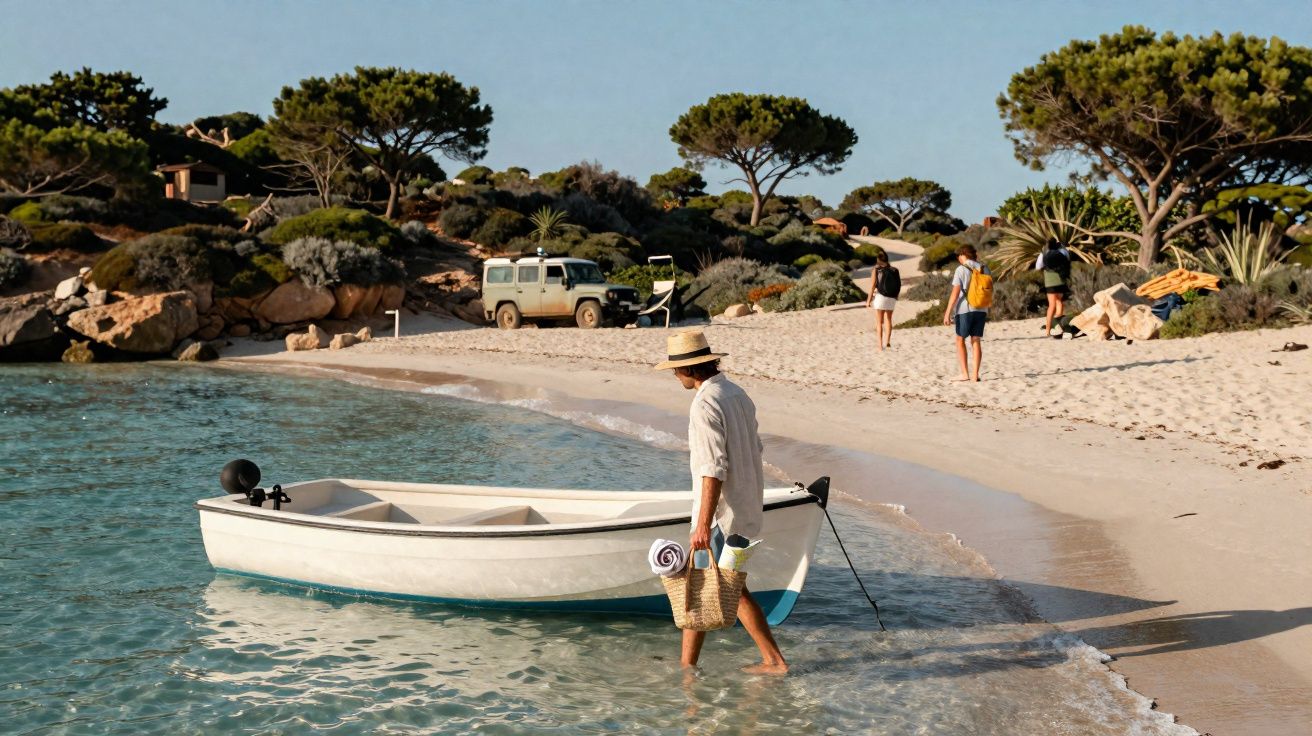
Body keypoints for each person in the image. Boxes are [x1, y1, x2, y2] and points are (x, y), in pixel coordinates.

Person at [654, 330, 787, 674]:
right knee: (713, 585)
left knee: (716, 587)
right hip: (746, 508)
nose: (673, 375)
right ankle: (689, 667)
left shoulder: (704, 404)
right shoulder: (736, 393)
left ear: (690, 369)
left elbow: (712, 469)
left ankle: (772, 662)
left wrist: (701, 524)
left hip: (723, 517)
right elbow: (755, 451)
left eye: (675, 369)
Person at [942, 244, 991, 382]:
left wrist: (947, 312)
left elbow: (955, 293)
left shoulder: (961, 269)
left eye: (959, 256)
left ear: (963, 255)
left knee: (960, 339)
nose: (959, 259)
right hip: (982, 308)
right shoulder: (985, 268)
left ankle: (965, 374)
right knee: (976, 340)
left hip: (965, 309)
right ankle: (975, 375)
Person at [1035, 238, 1071, 337]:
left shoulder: (1044, 253)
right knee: (1059, 301)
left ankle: (1048, 330)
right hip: (1060, 280)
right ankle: (1059, 323)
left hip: (1049, 281)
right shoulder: (1062, 251)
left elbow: (1038, 267)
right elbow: (1068, 260)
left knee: (1051, 305)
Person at [866, 253, 901, 350]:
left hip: (880, 297)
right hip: (892, 297)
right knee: (888, 320)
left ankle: (880, 345)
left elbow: (873, 285)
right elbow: (899, 285)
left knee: (879, 322)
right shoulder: (895, 270)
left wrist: (868, 301)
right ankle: (888, 343)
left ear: (878, 260)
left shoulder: (876, 270)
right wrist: (895, 296)